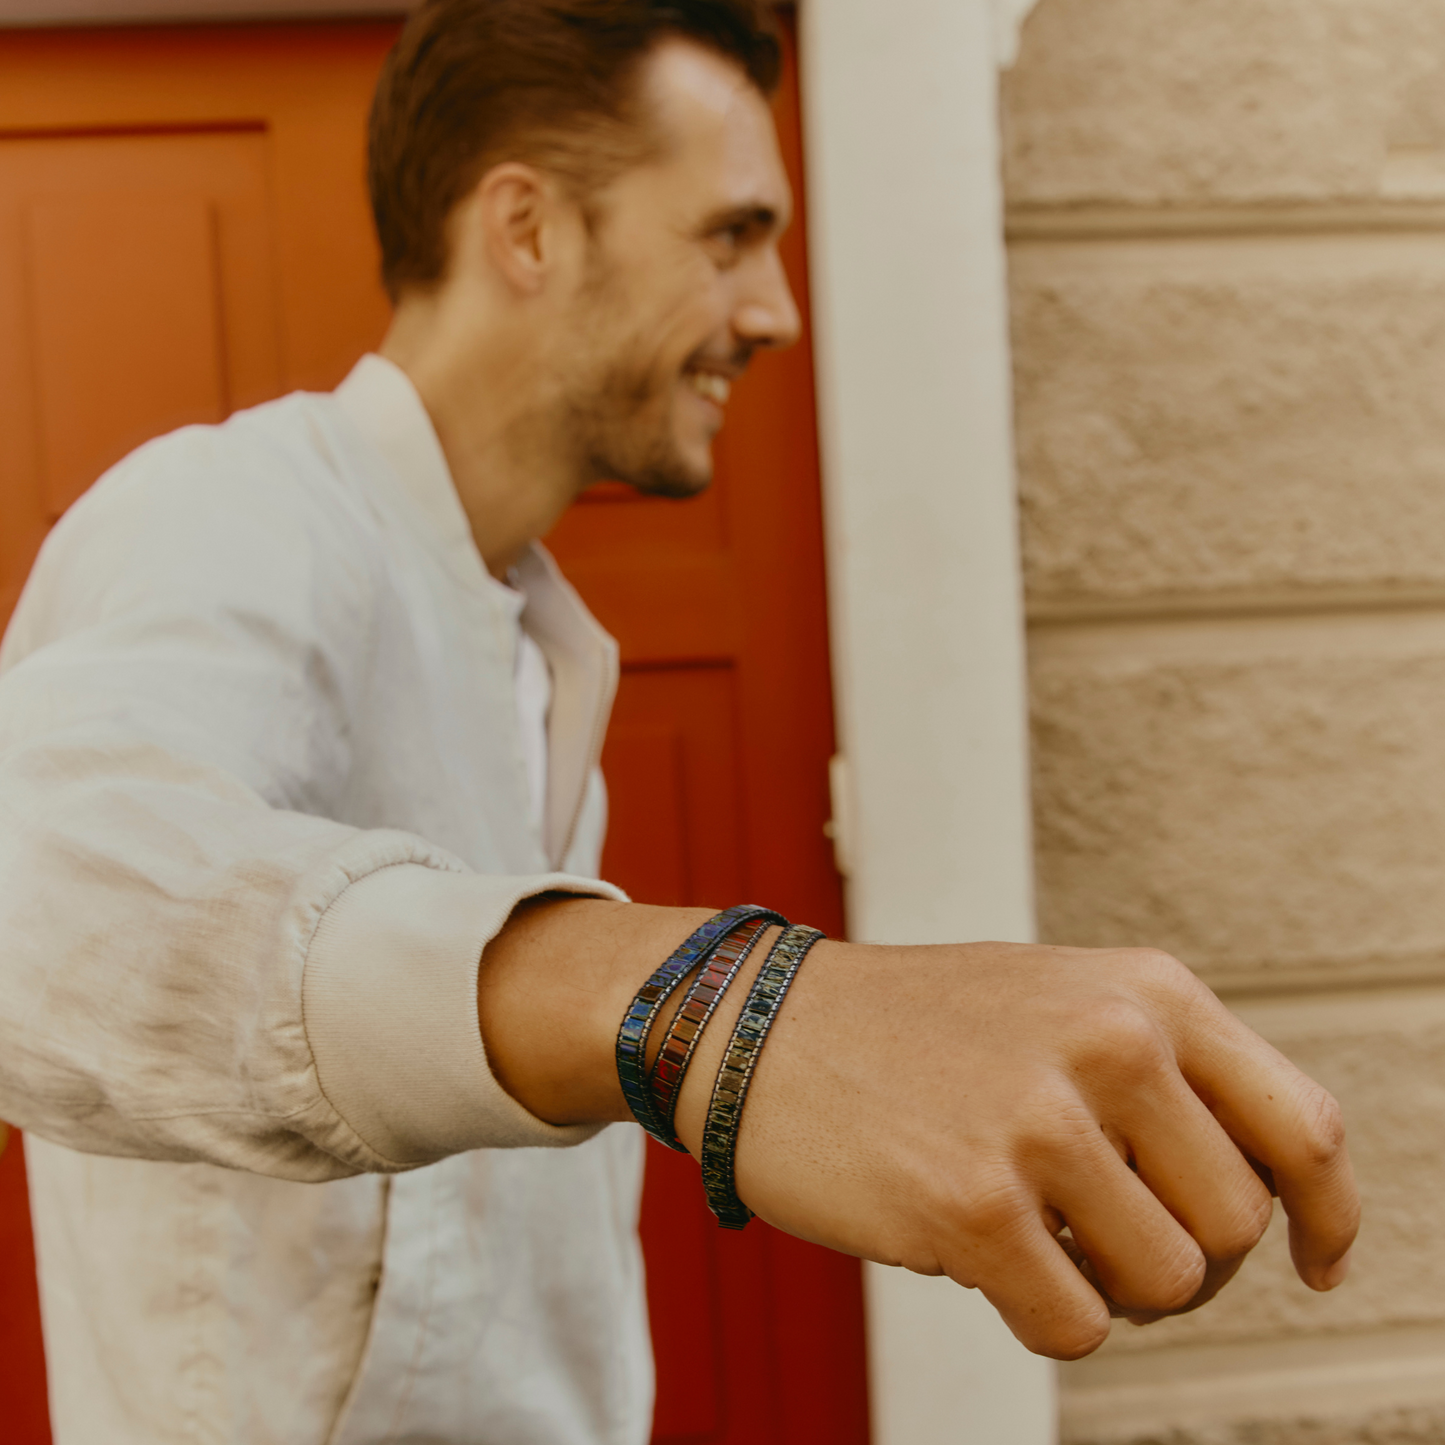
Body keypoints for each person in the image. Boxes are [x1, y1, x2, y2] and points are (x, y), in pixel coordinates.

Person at [0, 1, 1358, 1441]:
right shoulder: (236, 510)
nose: (775, 308)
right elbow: (36, 895)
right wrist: (706, 1004)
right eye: (729, 234)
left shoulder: (542, 649)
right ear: (527, 231)